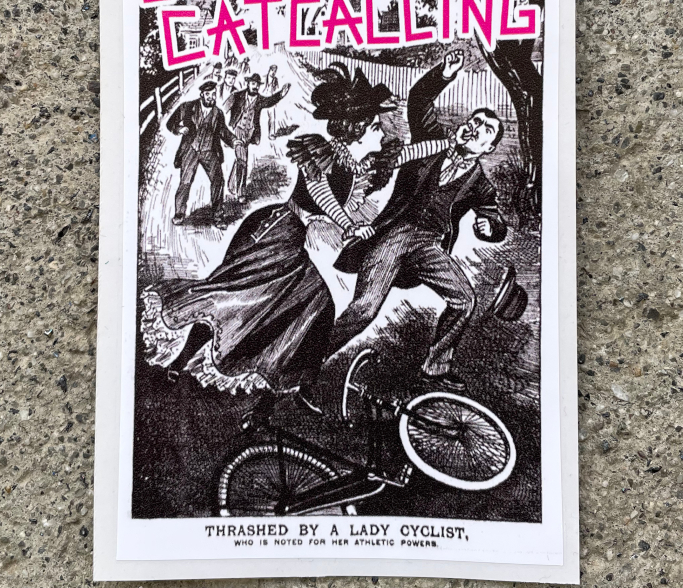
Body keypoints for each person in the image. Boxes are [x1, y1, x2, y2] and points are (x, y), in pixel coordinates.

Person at [141, 63, 397, 426]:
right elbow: (319, 193)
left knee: (313, 311)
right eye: (375, 127)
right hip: (274, 231)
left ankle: (271, 401)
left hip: (293, 239)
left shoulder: (351, 165)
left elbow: (344, 200)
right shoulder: (320, 150)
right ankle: (182, 361)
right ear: (358, 128)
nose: (380, 132)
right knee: (231, 296)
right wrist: (347, 223)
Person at [324, 49, 507, 391]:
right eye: (475, 121)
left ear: (488, 148)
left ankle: (435, 367)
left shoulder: (479, 183)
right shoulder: (431, 141)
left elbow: (493, 216)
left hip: (429, 245)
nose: (475, 128)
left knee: (464, 300)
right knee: (364, 309)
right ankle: (310, 359)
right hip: (394, 235)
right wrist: (445, 72)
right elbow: (420, 98)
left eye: (486, 129)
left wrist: (490, 228)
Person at [166, 80, 235, 227]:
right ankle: (179, 213)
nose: (211, 97)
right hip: (191, 149)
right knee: (185, 181)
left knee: (218, 180)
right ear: (202, 94)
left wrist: (234, 141)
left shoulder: (217, 113)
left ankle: (218, 216)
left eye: (213, 94)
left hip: (209, 150)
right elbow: (170, 123)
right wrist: (178, 129)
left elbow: (223, 131)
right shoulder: (187, 107)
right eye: (208, 94)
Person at [226, 73, 291, 202]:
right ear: (248, 84)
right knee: (242, 160)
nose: (255, 87)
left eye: (257, 85)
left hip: (250, 133)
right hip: (238, 130)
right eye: (253, 84)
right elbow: (224, 107)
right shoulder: (237, 96)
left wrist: (281, 94)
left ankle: (232, 184)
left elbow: (270, 101)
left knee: (241, 159)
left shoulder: (260, 99)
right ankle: (240, 193)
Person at [264, 64, 280, 141]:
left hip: (271, 100)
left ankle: (271, 134)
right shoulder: (264, 78)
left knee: (272, 118)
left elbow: (277, 90)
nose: (273, 72)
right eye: (272, 70)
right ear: (269, 70)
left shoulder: (275, 80)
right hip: (263, 99)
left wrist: (275, 100)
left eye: (275, 71)